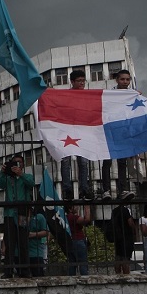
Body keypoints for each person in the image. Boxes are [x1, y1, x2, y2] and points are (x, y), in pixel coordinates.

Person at [101, 70, 137, 200]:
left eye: (128, 79)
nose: (125, 82)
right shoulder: (110, 94)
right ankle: (106, 191)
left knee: (122, 162)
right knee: (107, 162)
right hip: (110, 130)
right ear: (117, 80)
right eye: (123, 79)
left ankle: (123, 190)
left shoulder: (132, 94)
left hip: (124, 132)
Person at [0, 155, 34, 278]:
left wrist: (21, 174)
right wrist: (2, 172)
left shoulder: (26, 177)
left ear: (22, 165)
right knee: (9, 243)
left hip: (22, 213)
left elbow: (31, 183)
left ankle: (25, 270)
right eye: (15, 163)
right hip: (9, 214)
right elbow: (0, 184)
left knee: (23, 242)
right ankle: (8, 271)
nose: (17, 164)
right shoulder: (8, 178)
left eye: (19, 162)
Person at [61, 70, 92, 201]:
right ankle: (67, 189)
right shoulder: (66, 95)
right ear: (72, 82)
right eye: (79, 81)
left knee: (83, 162)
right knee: (65, 161)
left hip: (82, 131)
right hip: (67, 131)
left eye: (83, 81)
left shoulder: (88, 96)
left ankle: (84, 188)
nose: (82, 83)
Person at [66, 203, 91, 276]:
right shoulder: (73, 217)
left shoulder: (66, 217)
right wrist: (87, 207)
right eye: (75, 206)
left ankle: (71, 279)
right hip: (78, 240)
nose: (77, 207)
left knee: (72, 263)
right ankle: (85, 278)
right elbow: (87, 219)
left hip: (70, 241)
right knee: (83, 262)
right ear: (70, 209)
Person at [112, 204, 136, 275]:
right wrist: (134, 231)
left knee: (118, 258)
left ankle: (118, 275)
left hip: (118, 238)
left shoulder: (114, 211)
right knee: (125, 259)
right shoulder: (125, 210)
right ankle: (126, 276)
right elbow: (130, 223)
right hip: (126, 238)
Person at [28, 208, 49, 277]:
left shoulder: (39, 217)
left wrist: (33, 234)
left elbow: (46, 232)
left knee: (38, 276)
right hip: (23, 253)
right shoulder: (23, 219)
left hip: (36, 253)